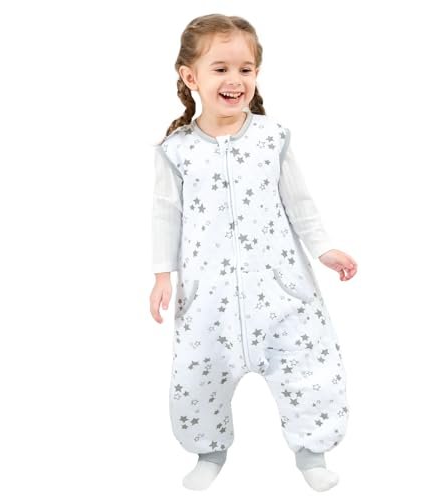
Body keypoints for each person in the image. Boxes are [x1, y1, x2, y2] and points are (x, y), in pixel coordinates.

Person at [149, 13, 358, 492]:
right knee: (198, 376)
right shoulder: (176, 150)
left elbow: (299, 202)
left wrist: (323, 249)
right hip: (209, 296)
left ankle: (312, 453)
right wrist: (163, 274)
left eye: (245, 69)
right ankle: (208, 451)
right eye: (220, 68)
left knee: (308, 369)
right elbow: (165, 215)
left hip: (281, 288)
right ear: (190, 77)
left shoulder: (271, 137)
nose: (235, 79)